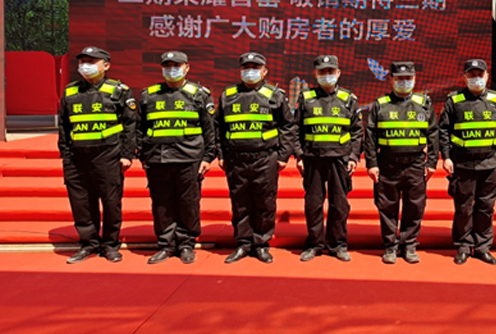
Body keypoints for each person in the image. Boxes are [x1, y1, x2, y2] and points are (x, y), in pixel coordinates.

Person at [136, 51, 216, 264]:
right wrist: (142, 155)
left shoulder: (199, 94)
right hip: (157, 159)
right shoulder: (149, 95)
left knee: (188, 203)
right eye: (167, 66)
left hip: (189, 158)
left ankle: (186, 244)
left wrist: (208, 157)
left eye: (176, 65)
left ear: (187, 68)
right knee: (162, 204)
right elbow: (139, 128)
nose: (172, 70)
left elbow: (210, 130)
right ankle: (166, 245)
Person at [216, 52, 295, 264]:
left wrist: (283, 155)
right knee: (240, 203)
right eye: (246, 68)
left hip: (265, 158)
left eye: (255, 68)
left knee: (264, 203)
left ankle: (261, 244)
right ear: (240, 71)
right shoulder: (228, 95)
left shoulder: (275, 95)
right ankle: (243, 244)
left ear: (264, 71)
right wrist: (221, 154)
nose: (250, 71)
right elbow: (219, 127)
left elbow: (288, 126)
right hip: (236, 159)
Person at [58, 46, 136, 264]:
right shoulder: (70, 91)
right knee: (81, 202)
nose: (86, 66)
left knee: (111, 202)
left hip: (108, 155)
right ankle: (88, 244)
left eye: (92, 62)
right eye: (83, 61)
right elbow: (64, 125)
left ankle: (110, 245)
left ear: (106, 66)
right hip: (77, 157)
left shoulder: (119, 91)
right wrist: (65, 154)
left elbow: (130, 124)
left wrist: (127, 154)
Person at [439, 59, 496, 265]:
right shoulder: (454, 100)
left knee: (486, 207)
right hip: (463, 163)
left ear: (487, 76)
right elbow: (443, 130)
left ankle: (482, 247)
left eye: (480, 74)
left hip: (489, 163)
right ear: (464, 77)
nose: (476, 78)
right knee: (463, 208)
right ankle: (463, 246)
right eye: (472, 75)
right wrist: (446, 156)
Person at [364, 61, 438, 264]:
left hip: (415, 164)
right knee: (387, 206)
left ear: (414, 79)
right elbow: (370, 136)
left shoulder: (424, 103)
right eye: (399, 78)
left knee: (415, 206)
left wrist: (432, 162)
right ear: (391, 80)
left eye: (408, 78)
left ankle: (409, 245)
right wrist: (372, 163)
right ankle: (390, 246)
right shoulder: (381, 104)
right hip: (388, 164)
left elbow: (433, 133)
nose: (404, 82)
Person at [294, 55, 363, 262]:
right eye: (322, 72)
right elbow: (295, 129)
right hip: (312, 159)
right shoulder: (305, 98)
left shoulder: (348, 99)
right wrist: (299, 155)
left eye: (330, 71)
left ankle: (338, 245)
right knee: (313, 205)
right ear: (315, 74)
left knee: (339, 205)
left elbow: (357, 131)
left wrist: (353, 156)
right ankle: (314, 244)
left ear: (338, 73)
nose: (327, 75)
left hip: (340, 160)